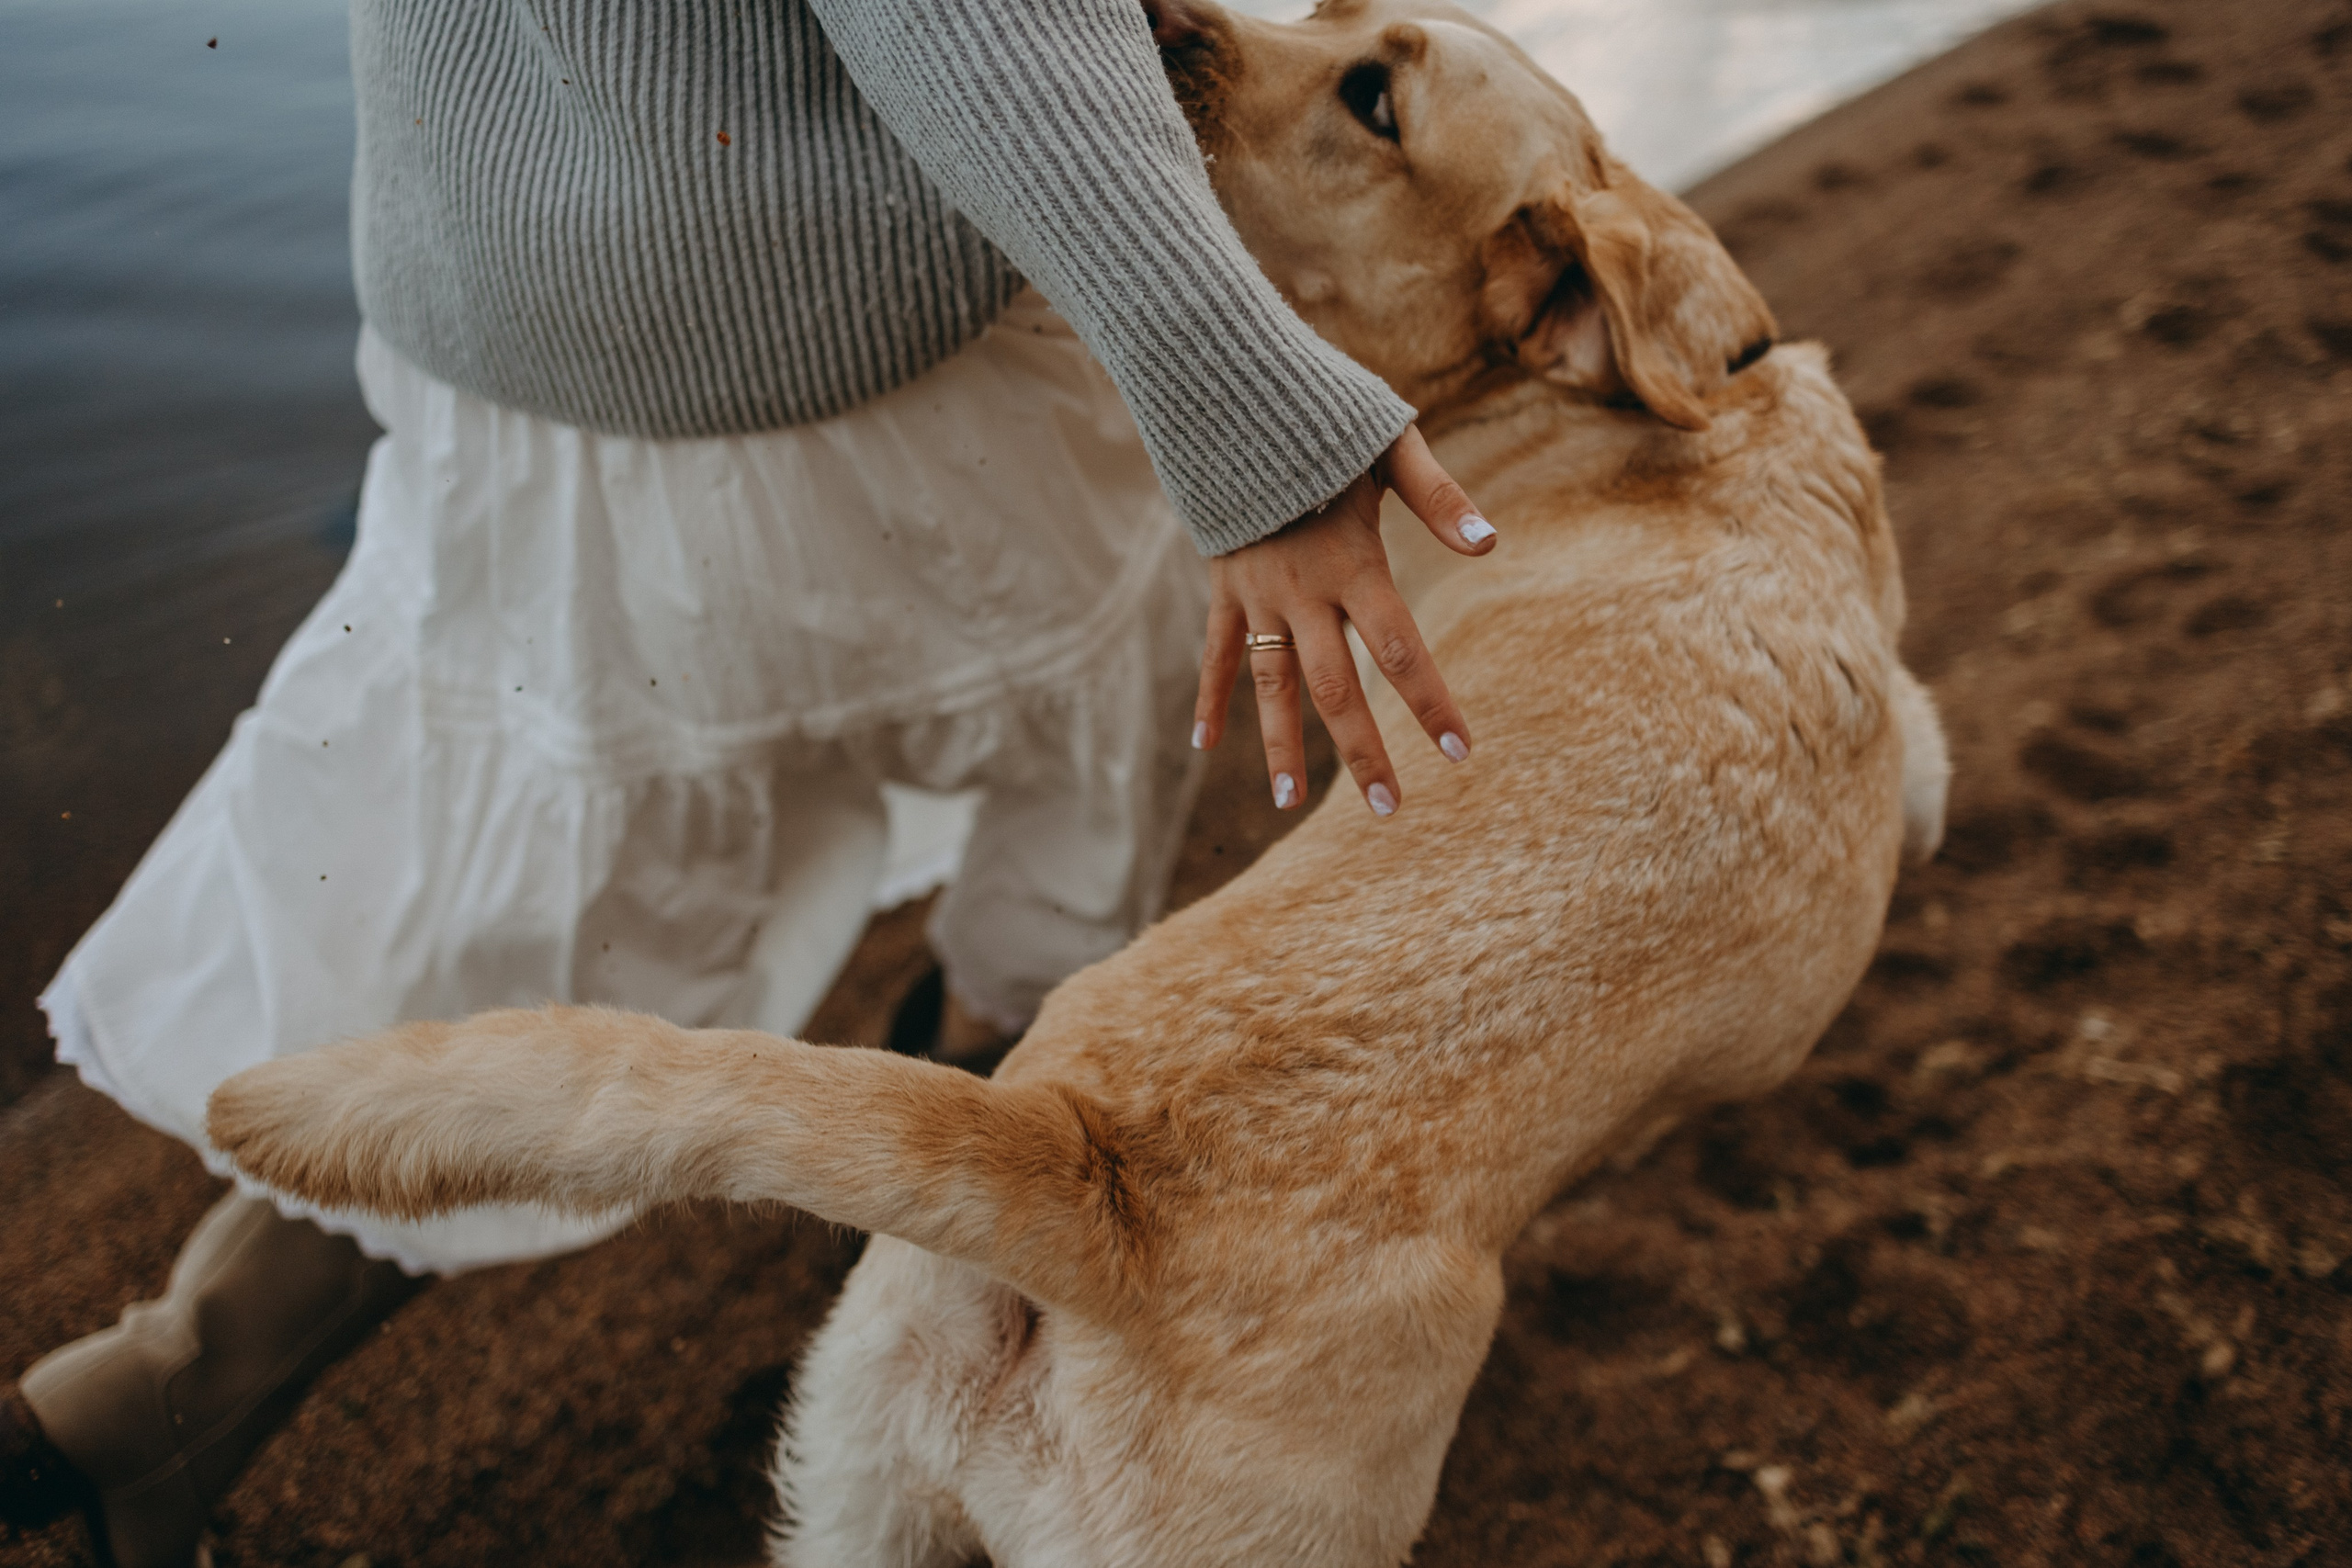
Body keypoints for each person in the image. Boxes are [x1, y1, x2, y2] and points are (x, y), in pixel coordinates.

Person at [0, 1, 1493, 1562]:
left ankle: (163, 1389)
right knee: (1081, 785)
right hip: (821, 345)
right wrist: (1252, 415)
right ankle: (963, 1312)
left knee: (560, 902)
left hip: (503, 300)